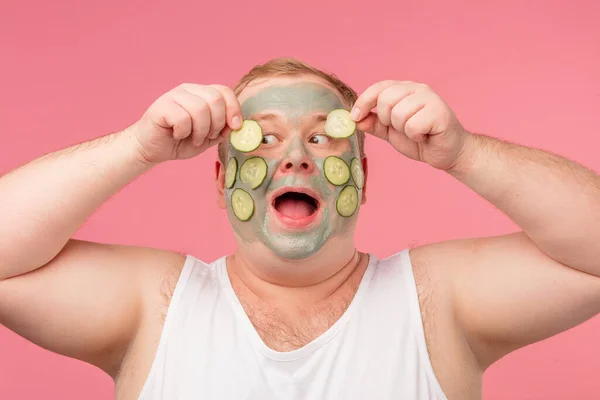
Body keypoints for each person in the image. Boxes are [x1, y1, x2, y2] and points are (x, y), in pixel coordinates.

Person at [0, 58, 599, 400]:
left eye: (321, 137)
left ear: (363, 175)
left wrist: (463, 153)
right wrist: (136, 147)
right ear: (220, 179)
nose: (294, 159)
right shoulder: (155, 305)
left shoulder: (436, 301)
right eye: (261, 138)